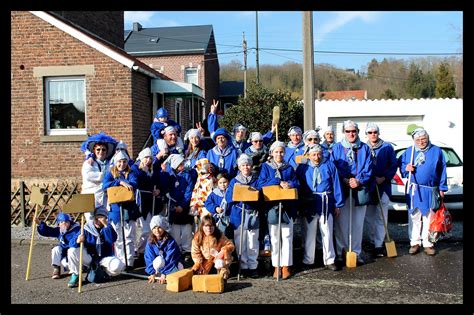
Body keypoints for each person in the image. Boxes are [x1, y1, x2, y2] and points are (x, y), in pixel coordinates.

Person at [399, 128, 447, 256]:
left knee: (429, 217)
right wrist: (405, 168)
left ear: (428, 138)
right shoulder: (409, 151)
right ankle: (414, 242)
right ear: (414, 140)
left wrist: (442, 188)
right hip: (414, 189)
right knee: (414, 216)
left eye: (423, 139)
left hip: (430, 189)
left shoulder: (437, 151)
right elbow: (401, 167)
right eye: (418, 140)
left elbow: (442, 170)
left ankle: (428, 243)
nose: (421, 142)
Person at [331, 120, 373, 266]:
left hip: (359, 188)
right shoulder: (337, 148)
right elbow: (333, 167)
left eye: (353, 131)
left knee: (357, 223)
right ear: (344, 132)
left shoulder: (365, 148)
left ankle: (356, 252)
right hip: (342, 189)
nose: (351, 134)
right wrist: (343, 179)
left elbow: (368, 168)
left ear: (357, 132)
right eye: (348, 131)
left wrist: (358, 180)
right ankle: (341, 251)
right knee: (341, 223)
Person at [296, 144, 344, 271]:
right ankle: (308, 259)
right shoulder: (303, 167)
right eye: (313, 155)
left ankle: (329, 259)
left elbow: (336, 184)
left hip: (325, 202)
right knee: (309, 232)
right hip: (309, 202)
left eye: (318, 154)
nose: (316, 157)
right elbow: (298, 185)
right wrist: (299, 204)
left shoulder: (329, 165)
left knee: (327, 231)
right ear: (309, 155)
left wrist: (338, 204)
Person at [257, 141, 299, 280]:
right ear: (271, 153)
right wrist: (277, 181)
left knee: (286, 236)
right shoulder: (266, 167)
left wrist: (290, 184)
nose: (279, 154)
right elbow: (261, 184)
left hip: (287, 206)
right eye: (276, 152)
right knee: (274, 237)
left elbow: (296, 183)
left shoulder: (289, 168)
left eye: (281, 152)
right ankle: (276, 265)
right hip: (272, 206)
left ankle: (286, 265)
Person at [363, 123, 398, 257]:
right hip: (368, 186)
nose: (373, 135)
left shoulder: (387, 147)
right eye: (370, 132)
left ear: (378, 133)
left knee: (381, 216)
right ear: (366, 134)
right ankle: (372, 241)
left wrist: (384, 177)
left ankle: (379, 244)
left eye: (375, 132)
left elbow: (394, 165)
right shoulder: (363, 147)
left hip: (383, 186)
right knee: (369, 217)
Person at [225, 154, 261, 278]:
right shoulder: (235, 181)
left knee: (252, 241)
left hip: (252, 212)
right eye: (243, 165)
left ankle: (253, 266)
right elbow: (229, 197)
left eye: (248, 165)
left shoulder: (257, 179)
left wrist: (251, 195)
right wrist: (240, 193)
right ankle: (243, 266)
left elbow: (260, 195)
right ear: (239, 167)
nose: (246, 167)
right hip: (238, 213)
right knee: (241, 241)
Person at [102, 150, 140, 268]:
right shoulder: (110, 173)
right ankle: (120, 263)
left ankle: (129, 261)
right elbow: (105, 186)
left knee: (129, 236)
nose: (122, 164)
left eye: (124, 162)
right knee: (118, 237)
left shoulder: (131, 172)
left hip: (128, 209)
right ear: (115, 162)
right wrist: (120, 182)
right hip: (116, 210)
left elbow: (134, 184)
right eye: (119, 162)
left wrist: (125, 182)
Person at [34, 213, 83, 288]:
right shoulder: (59, 230)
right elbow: (48, 231)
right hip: (65, 254)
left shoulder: (76, 230)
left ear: (70, 222)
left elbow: (74, 243)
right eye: (62, 222)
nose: (64, 224)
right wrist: (40, 223)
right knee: (56, 249)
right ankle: (56, 268)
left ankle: (77, 273)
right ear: (58, 224)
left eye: (66, 222)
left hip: (76, 254)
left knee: (71, 253)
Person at [77, 206, 125, 281]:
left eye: (101, 219)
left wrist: (105, 224)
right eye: (96, 219)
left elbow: (112, 239)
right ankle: (84, 271)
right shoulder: (86, 228)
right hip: (89, 258)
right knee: (73, 251)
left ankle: (103, 272)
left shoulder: (107, 227)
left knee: (118, 265)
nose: (98, 221)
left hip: (104, 258)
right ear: (93, 218)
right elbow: (72, 244)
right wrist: (77, 240)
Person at [161, 154, 195, 260]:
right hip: (173, 206)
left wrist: (182, 205)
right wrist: (174, 205)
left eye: (183, 163)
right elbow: (166, 188)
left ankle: (187, 250)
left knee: (186, 231)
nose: (183, 165)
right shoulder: (169, 176)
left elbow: (189, 192)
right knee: (175, 230)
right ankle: (177, 249)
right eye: (180, 164)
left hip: (184, 206)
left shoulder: (187, 175)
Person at [133, 147, 164, 255]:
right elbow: (137, 183)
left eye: (150, 158)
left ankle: (146, 251)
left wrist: (158, 190)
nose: (148, 160)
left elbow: (158, 183)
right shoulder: (136, 169)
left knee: (150, 229)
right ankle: (140, 250)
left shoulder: (152, 170)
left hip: (151, 203)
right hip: (141, 204)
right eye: (146, 158)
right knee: (144, 230)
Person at [81, 132, 117, 222]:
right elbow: (88, 176)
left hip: (104, 196)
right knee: (90, 220)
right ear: (94, 150)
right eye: (98, 149)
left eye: (103, 150)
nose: (101, 152)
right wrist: (104, 176)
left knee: (104, 220)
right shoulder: (88, 163)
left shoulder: (109, 164)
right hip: (90, 196)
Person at [191, 215, 235, 280]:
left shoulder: (219, 235)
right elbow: (195, 252)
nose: (209, 228)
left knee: (221, 268)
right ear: (202, 226)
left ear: (214, 226)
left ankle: (223, 277)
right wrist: (198, 263)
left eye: (211, 226)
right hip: (205, 262)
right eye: (206, 226)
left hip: (218, 260)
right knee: (198, 275)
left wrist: (224, 250)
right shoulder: (197, 237)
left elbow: (230, 245)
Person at [144, 215, 184, 284]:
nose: (157, 231)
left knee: (180, 268)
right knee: (159, 260)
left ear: (164, 228)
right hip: (159, 264)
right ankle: (157, 273)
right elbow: (149, 258)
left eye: (159, 227)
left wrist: (164, 273)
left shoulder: (170, 241)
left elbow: (171, 258)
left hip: (171, 264)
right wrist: (152, 273)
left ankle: (165, 273)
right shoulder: (150, 241)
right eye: (154, 228)